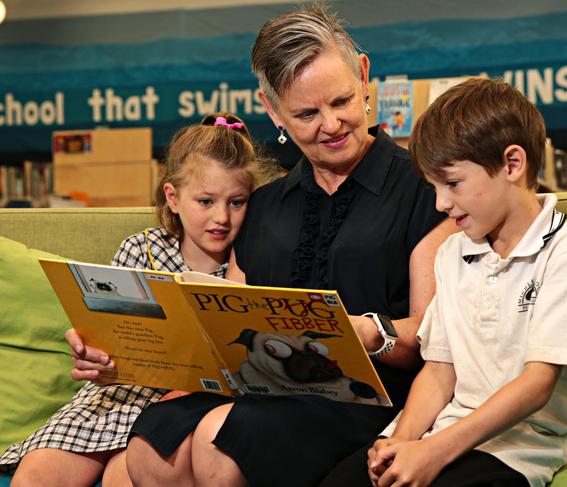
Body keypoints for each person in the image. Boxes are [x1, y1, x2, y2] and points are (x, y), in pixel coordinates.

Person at [118, 4, 458, 487]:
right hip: (263, 386)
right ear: (272, 109)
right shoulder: (263, 205)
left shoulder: (427, 193)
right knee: (152, 444)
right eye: (306, 113)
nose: (332, 124)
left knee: (220, 439)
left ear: (364, 76)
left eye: (341, 101)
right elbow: (224, 323)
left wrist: (364, 333)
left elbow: (431, 338)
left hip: (372, 399)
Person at [319, 77, 567, 487]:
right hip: (439, 431)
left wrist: (433, 452)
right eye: (433, 187)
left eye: (452, 183)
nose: (440, 203)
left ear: (512, 164)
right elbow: (440, 371)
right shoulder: (452, 254)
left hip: (516, 449)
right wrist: (401, 442)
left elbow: (536, 384)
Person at [4, 112, 276, 487]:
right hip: (116, 394)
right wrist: (91, 353)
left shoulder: (249, 263)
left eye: (236, 202)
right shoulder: (140, 249)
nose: (221, 218)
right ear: (173, 198)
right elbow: (106, 337)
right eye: (205, 201)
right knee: (34, 475)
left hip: (180, 406)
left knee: (125, 477)